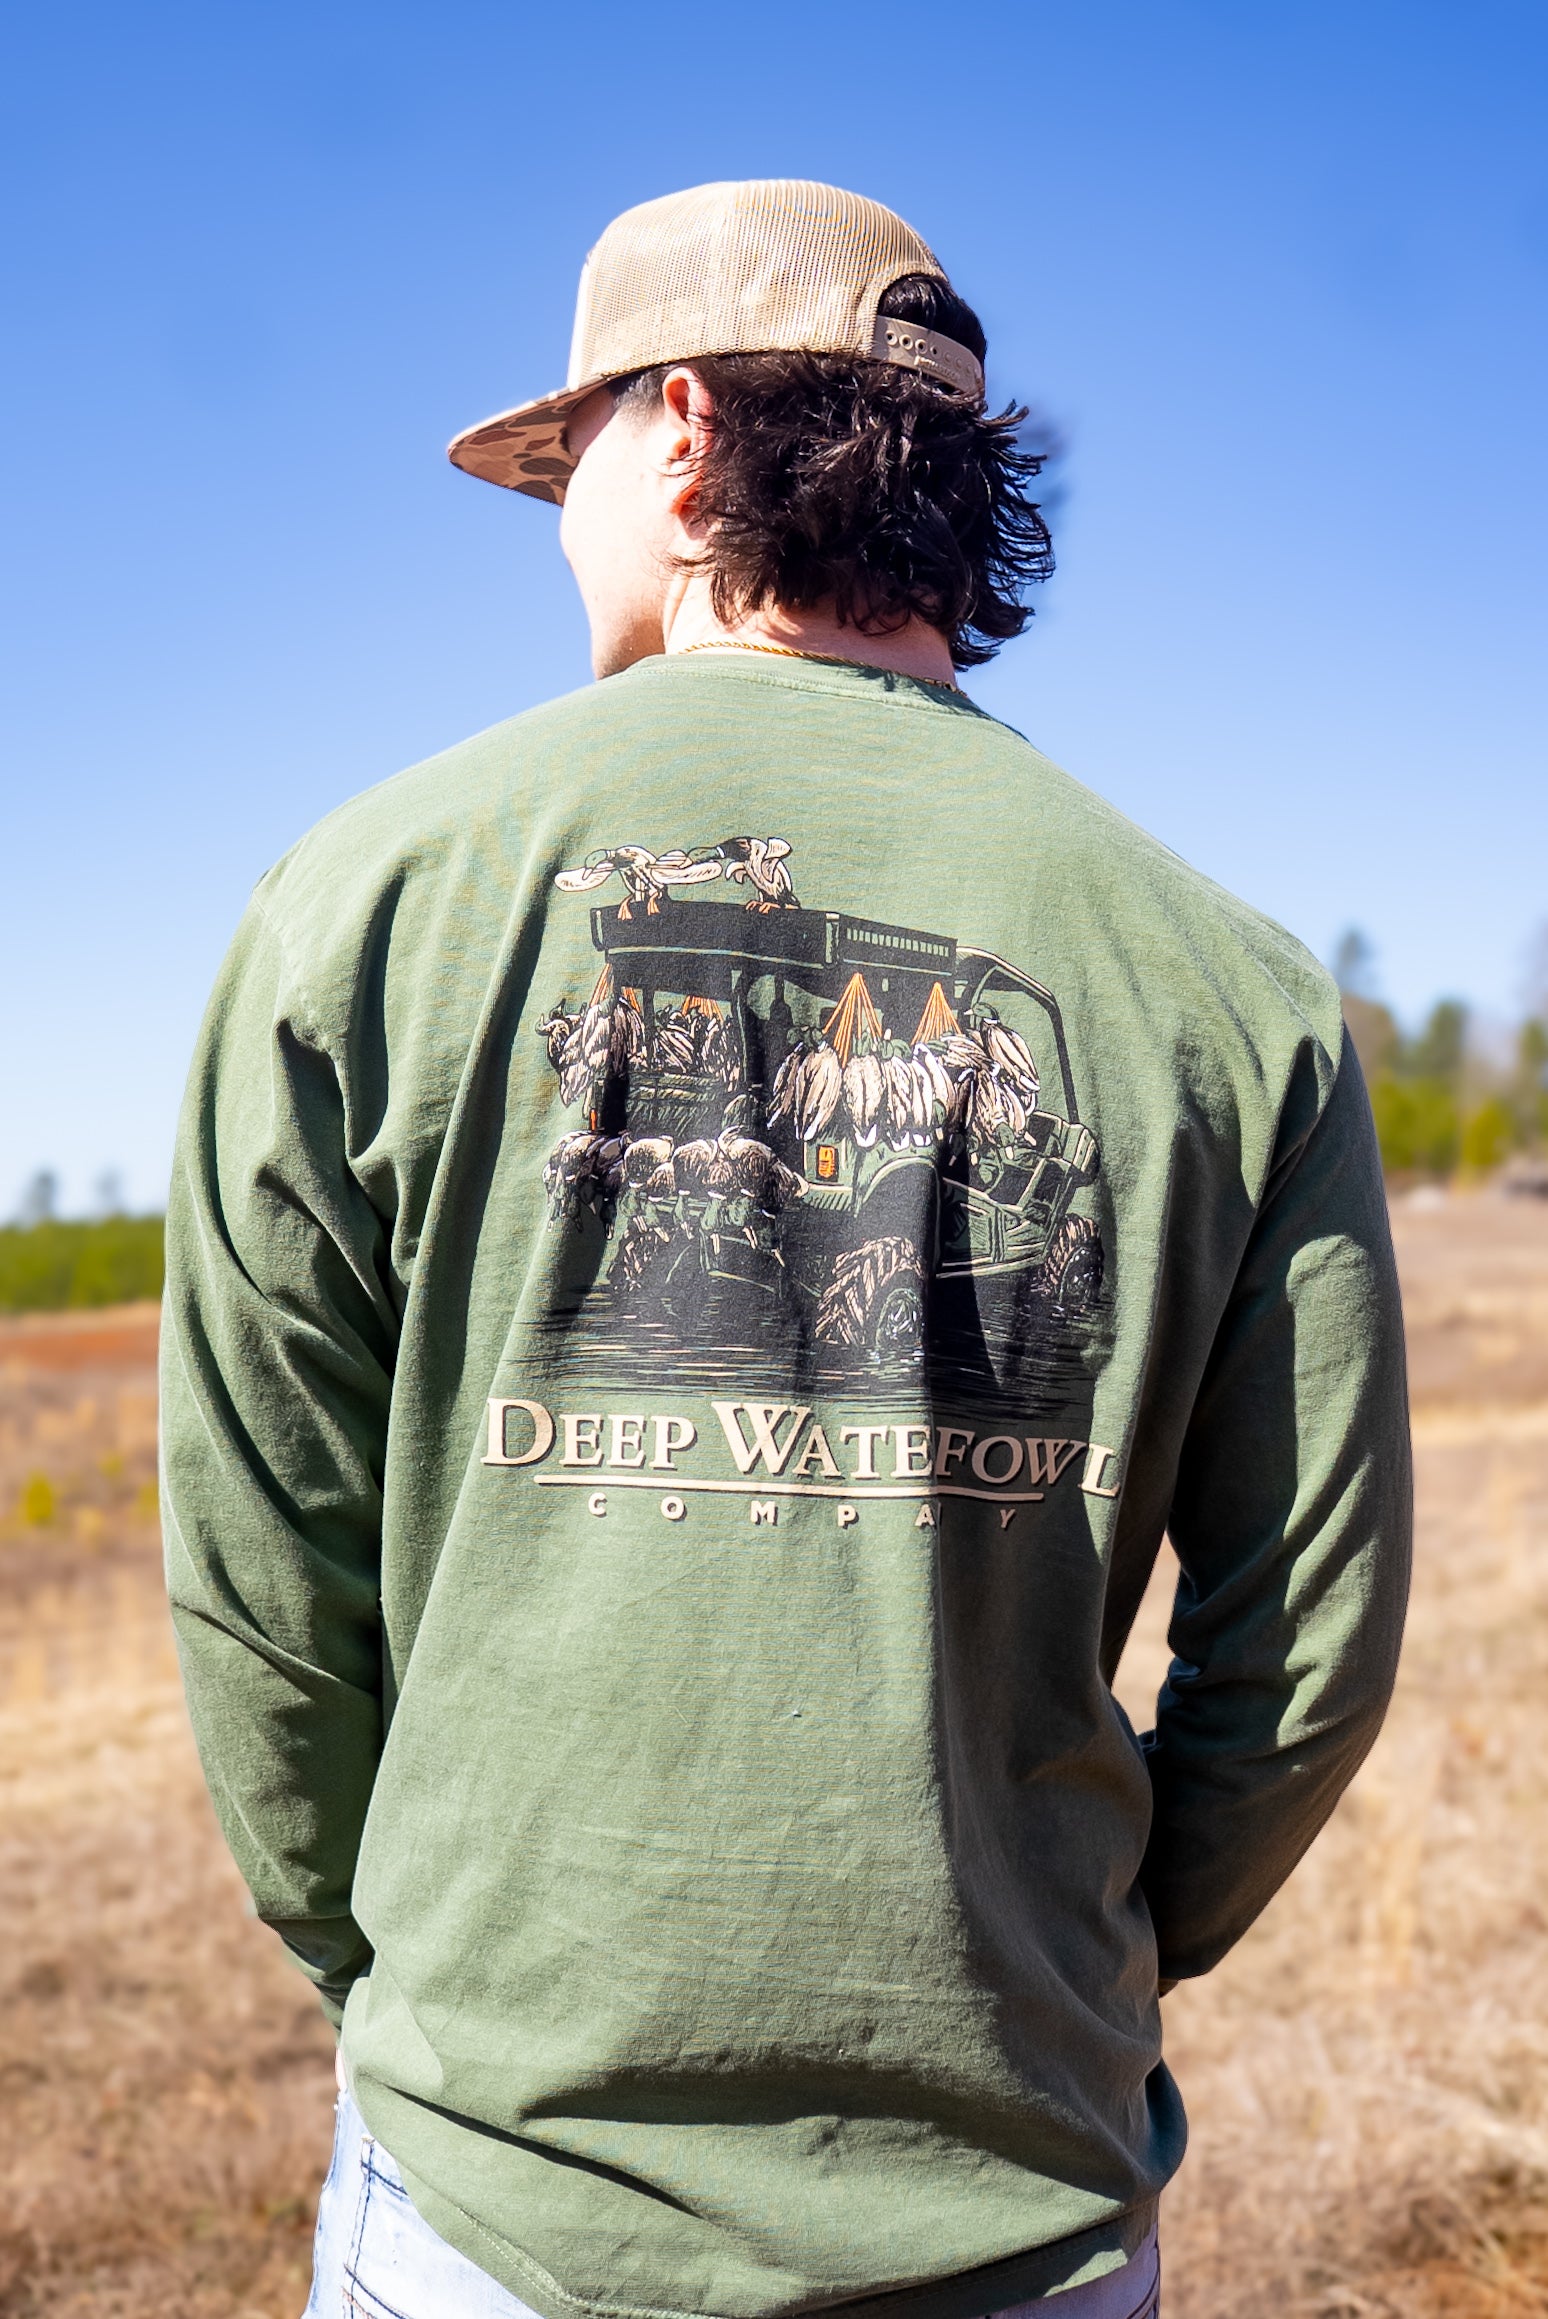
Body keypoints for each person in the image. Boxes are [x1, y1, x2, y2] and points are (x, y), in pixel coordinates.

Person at [160, 180, 1411, 2319]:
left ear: (676, 433)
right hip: (1019, 2197)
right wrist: (1090, 1943)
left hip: (500, 2202)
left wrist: (415, 1985)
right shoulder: (1238, 990)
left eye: (560, 468)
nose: (555, 529)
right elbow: (1309, 1643)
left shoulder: (363, 903)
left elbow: (265, 1579)